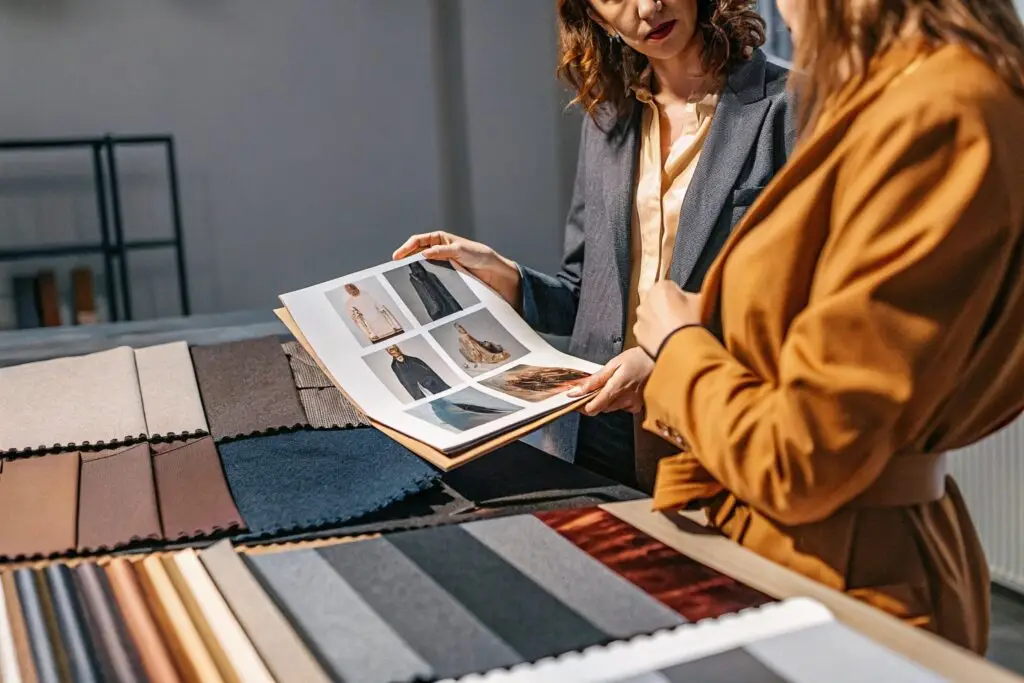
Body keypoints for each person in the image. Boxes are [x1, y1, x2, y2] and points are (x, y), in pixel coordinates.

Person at [631, 0, 1024, 654]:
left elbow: (806, 450)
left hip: (841, 572)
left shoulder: (940, 110)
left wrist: (680, 346)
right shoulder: (910, 92)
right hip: (815, 558)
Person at [395, 0, 795, 489]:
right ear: (595, 16)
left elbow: (802, 311)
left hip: (719, 432)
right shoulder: (608, 118)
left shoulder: (790, 106)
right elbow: (586, 297)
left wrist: (670, 354)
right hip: (597, 433)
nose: (649, 7)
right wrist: (509, 279)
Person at [387, 345, 451, 401]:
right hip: (421, 393)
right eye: (390, 350)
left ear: (397, 348)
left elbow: (431, 373)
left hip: (433, 386)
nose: (393, 351)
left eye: (393, 348)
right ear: (388, 352)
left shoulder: (414, 360)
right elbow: (406, 382)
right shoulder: (395, 366)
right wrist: (420, 398)